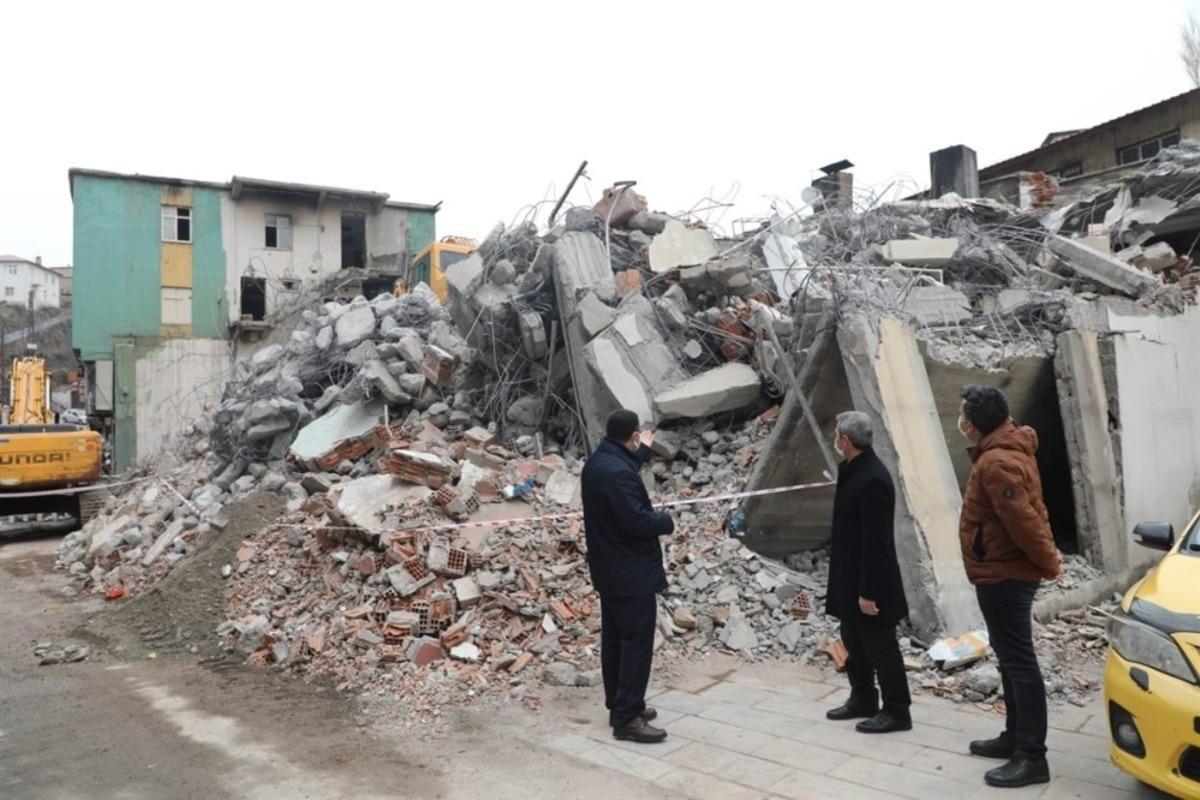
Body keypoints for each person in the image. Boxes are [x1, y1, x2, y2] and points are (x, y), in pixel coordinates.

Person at [957, 385, 1062, 789]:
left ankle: (1032, 756)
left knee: (1019, 662)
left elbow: (1025, 521)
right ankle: (1014, 737)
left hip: (1006, 573)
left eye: (964, 415)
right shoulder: (1006, 450)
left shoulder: (996, 462)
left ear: (976, 422)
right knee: (1009, 658)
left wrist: (1049, 563)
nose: (961, 421)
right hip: (1000, 569)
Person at [581, 409, 675, 744]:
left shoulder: (599, 462)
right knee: (636, 642)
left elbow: (624, 468)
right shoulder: (617, 473)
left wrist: (643, 452)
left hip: (610, 569)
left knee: (615, 639)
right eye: (638, 437)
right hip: (629, 571)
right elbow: (636, 521)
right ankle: (627, 718)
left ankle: (619, 704)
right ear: (632, 435)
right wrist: (666, 520)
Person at [823, 410, 912, 734]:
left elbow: (877, 541)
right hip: (850, 576)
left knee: (880, 646)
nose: (835, 438)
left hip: (869, 581)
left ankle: (897, 710)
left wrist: (868, 591)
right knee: (853, 639)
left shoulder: (873, 478)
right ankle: (862, 697)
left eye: (836, 433)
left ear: (846, 440)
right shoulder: (852, 470)